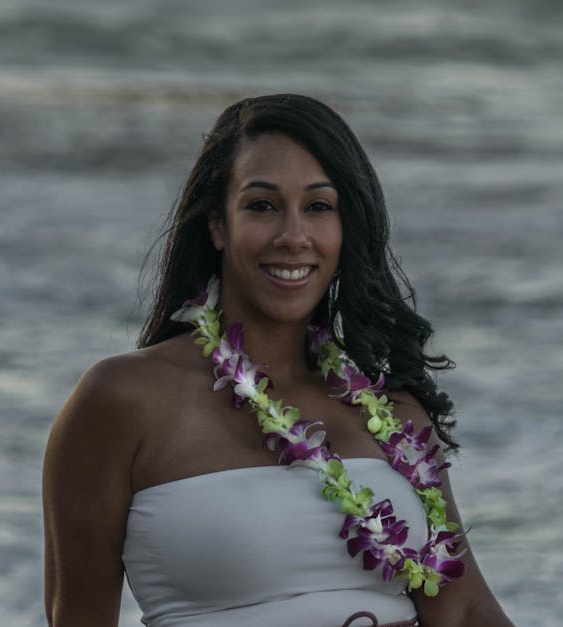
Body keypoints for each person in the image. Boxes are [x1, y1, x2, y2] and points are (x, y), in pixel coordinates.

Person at [42, 93, 514, 627]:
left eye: (318, 207)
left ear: (344, 229)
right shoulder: (121, 401)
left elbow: (466, 612)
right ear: (217, 225)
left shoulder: (395, 414)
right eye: (262, 206)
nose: (294, 237)